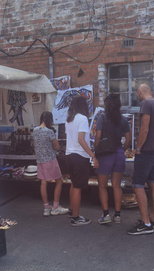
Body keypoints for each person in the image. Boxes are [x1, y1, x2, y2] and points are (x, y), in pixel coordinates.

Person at [127, 83, 154, 236]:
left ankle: (146, 223)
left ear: (141, 92)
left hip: (147, 150)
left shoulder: (146, 104)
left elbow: (144, 128)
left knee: (137, 185)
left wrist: (139, 148)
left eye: (137, 93)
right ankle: (153, 218)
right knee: (153, 182)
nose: (137, 95)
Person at [95, 94, 131, 224]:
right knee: (117, 186)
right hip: (119, 154)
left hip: (105, 155)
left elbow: (98, 136)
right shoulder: (123, 119)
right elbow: (128, 138)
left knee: (102, 186)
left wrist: (96, 148)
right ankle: (117, 215)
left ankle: (106, 215)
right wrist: (123, 148)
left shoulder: (102, 118)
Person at [65, 95, 99, 227]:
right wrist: (93, 155)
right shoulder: (83, 118)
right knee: (78, 187)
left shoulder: (69, 119)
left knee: (74, 184)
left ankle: (72, 210)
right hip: (80, 156)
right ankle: (76, 218)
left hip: (69, 155)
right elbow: (81, 139)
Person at [32, 111, 69, 217]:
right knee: (59, 181)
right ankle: (56, 207)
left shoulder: (34, 130)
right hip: (50, 159)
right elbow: (57, 146)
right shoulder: (49, 131)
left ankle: (46, 208)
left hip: (40, 161)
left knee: (43, 183)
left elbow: (35, 144)